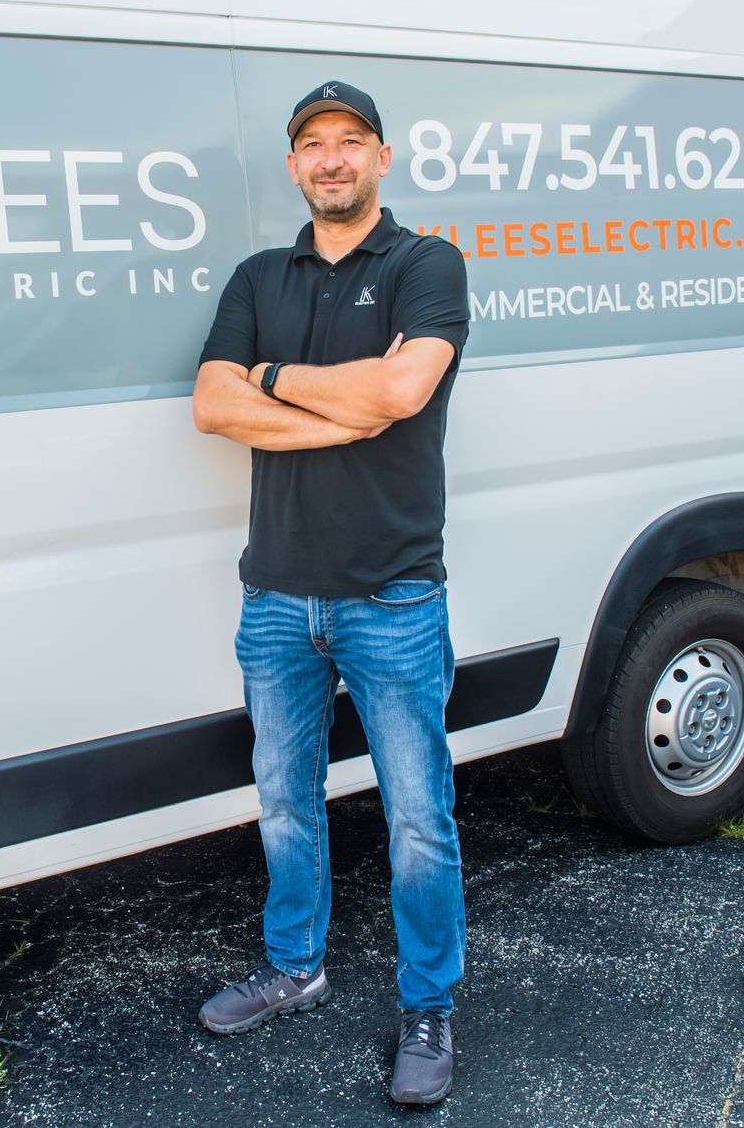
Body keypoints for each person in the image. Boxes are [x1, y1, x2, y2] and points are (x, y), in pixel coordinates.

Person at [190, 81, 470, 1106]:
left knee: (418, 820)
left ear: (383, 158)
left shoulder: (425, 264)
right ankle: (293, 966)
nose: (333, 158)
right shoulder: (261, 275)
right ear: (296, 167)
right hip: (277, 599)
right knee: (285, 803)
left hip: (392, 597)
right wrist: (334, 407)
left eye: (351, 141)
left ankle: (429, 1006)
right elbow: (212, 406)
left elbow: (402, 393)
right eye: (314, 144)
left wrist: (276, 378)